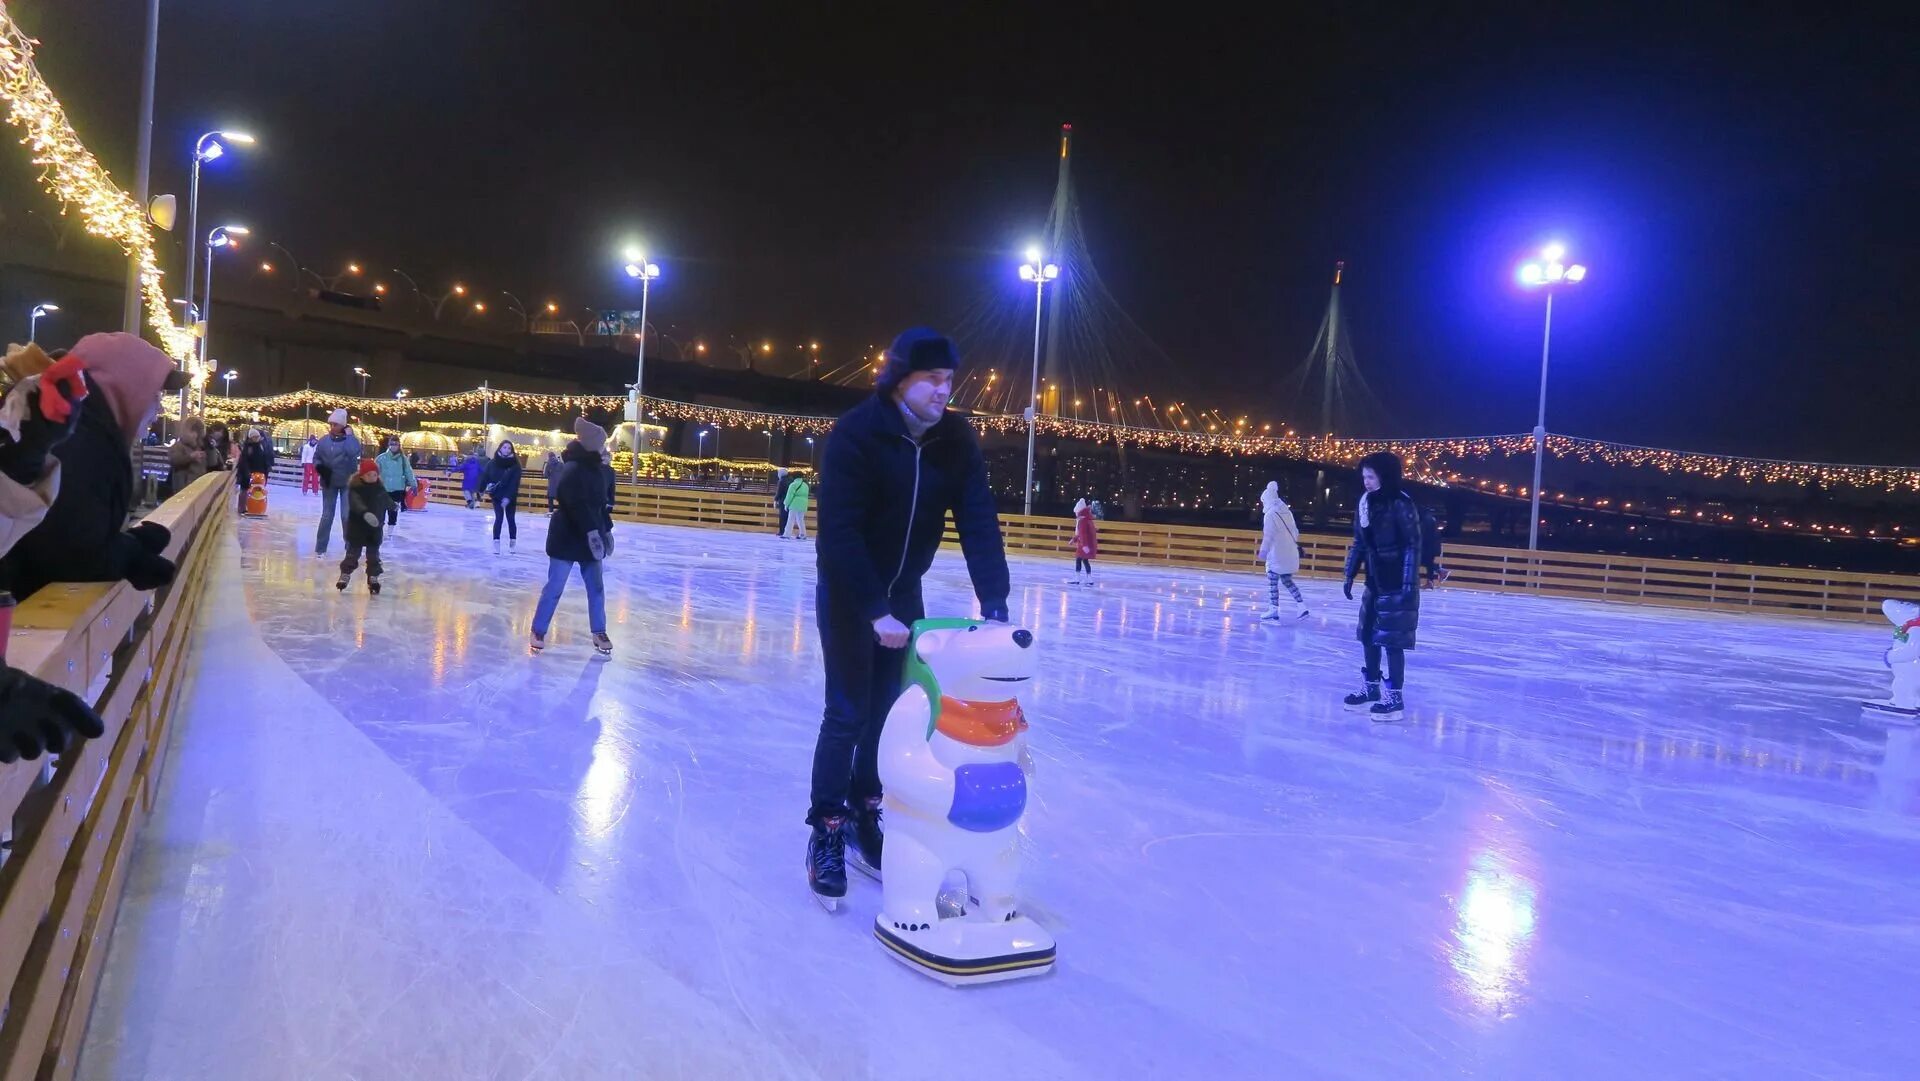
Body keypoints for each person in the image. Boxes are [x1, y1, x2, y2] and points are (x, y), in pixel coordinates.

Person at [806, 326, 1010, 907]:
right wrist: (873, 609)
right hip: (850, 593)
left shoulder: (955, 440)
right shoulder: (856, 434)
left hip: (905, 596)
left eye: (950, 380)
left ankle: (867, 807)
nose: (945, 391)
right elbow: (838, 534)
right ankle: (826, 826)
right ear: (901, 379)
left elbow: (977, 517)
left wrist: (993, 601)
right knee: (846, 711)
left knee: (887, 714)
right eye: (933, 380)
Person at [1341, 452, 1421, 721]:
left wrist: (1409, 582)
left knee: (1392, 641)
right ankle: (1371, 689)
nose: (1366, 481)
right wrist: (1350, 574)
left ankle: (1395, 697)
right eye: (1364, 476)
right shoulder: (1364, 503)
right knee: (1368, 636)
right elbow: (1360, 542)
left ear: (1384, 476)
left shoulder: (1401, 503)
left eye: (1371, 476)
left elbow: (1412, 544)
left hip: (1397, 582)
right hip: (1374, 581)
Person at [531, 418, 614, 655]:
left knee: (596, 587)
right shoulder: (571, 469)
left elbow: (599, 505)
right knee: (555, 586)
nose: (604, 447)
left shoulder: (598, 470)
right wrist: (591, 532)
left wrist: (606, 529)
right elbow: (573, 504)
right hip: (567, 536)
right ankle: (538, 629)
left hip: (592, 538)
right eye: (602, 443)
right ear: (591, 444)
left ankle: (599, 630)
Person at [311, 408, 363, 557]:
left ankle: (350, 547)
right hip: (329, 482)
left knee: (346, 516)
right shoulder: (324, 441)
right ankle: (320, 548)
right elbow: (317, 457)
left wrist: (350, 436)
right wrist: (320, 467)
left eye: (335, 424)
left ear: (343, 425)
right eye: (331, 424)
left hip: (347, 482)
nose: (332, 427)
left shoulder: (350, 440)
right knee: (327, 516)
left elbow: (354, 452)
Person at [337, 459, 393, 595]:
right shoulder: (355, 488)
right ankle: (345, 574)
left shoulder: (379, 488)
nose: (372, 478)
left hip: (374, 528)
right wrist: (365, 513)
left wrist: (393, 505)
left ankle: (373, 577)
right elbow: (356, 503)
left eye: (375, 475)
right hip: (358, 528)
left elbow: (385, 499)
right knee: (352, 554)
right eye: (369, 475)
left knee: (373, 556)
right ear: (362, 475)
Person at [1257, 481, 1309, 621]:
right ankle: (1301, 606)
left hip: (1277, 553)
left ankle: (1273, 609)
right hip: (1290, 552)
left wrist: (1263, 550)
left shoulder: (1270, 515)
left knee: (1273, 578)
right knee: (1286, 579)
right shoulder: (1287, 512)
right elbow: (1295, 531)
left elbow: (1269, 535)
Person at [483, 440, 522, 552]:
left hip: (510, 496)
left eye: (509, 448)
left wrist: (508, 497)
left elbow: (515, 483)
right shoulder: (493, 463)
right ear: (500, 448)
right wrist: (482, 489)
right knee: (499, 518)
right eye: (504, 447)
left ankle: (512, 541)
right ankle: (496, 542)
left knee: (510, 519)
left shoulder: (515, 465)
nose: (507, 450)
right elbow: (486, 476)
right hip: (497, 496)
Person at [375, 435, 416, 529]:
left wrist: (413, 484)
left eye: (396, 444)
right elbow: (374, 473)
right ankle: (379, 530)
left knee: (393, 511)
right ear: (389, 445)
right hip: (383, 489)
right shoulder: (381, 458)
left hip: (397, 489)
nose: (394, 446)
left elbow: (408, 471)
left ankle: (390, 532)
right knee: (380, 511)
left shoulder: (403, 459)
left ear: (399, 445)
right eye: (392, 444)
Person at [234, 426, 274, 512]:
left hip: (259, 473)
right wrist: (247, 472)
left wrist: (267, 467)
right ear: (251, 438)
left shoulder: (261, 446)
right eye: (254, 437)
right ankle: (242, 508)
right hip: (248, 474)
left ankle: (257, 507)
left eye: (257, 437)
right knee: (245, 490)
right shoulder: (248, 448)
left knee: (257, 491)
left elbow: (265, 457)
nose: (256, 438)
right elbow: (244, 461)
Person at [168, 415, 209, 496]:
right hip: (183, 488)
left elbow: (212, 463)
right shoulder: (178, 446)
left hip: (198, 487)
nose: (195, 435)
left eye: (197, 432)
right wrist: (190, 457)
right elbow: (174, 460)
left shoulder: (201, 447)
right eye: (192, 431)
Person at [1066, 496, 1097, 585]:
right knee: (1084, 560)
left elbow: (1083, 534)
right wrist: (1074, 540)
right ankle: (1089, 578)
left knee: (1079, 559)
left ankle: (1078, 577)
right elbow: (1082, 534)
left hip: (1084, 545)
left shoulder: (1082, 521)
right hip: (1086, 544)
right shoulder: (1086, 519)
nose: (1075, 514)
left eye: (1076, 512)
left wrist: (1084, 546)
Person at [782, 472, 811, 539]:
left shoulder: (793, 484)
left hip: (794, 504)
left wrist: (786, 504)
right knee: (800, 520)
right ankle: (803, 534)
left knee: (790, 520)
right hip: (803, 504)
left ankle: (787, 534)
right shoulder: (805, 485)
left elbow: (789, 495)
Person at [773, 467, 796, 535]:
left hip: (783, 500)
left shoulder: (781, 481)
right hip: (791, 500)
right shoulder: (792, 480)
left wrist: (775, 499)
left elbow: (779, 492)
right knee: (789, 517)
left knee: (782, 517)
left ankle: (782, 531)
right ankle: (787, 531)